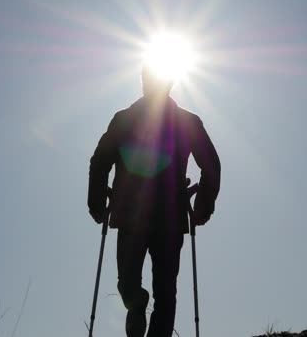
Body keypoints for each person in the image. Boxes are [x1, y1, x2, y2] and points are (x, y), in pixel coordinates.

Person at [88, 65, 221, 337]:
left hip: (169, 218)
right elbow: (100, 160)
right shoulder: (123, 119)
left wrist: (202, 208)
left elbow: (211, 165)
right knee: (127, 284)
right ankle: (137, 304)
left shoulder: (188, 122)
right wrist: (97, 202)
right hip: (130, 215)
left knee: (165, 289)